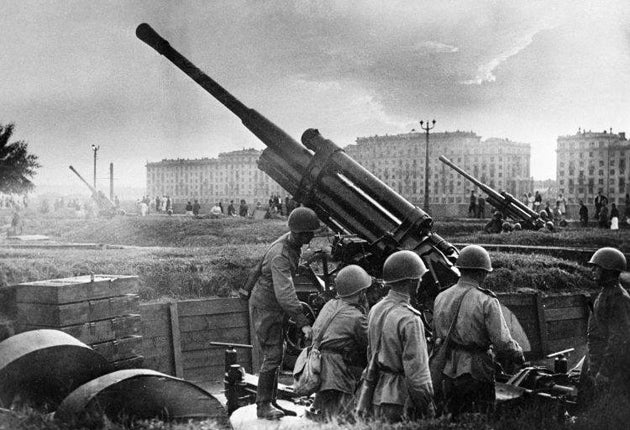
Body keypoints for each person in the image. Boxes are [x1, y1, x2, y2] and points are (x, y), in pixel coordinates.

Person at [433, 245, 524, 417]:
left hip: (446, 368)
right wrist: (518, 354)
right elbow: (502, 342)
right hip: (475, 370)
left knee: (452, 417)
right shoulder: (486, 300)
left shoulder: (441, 297)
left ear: (460, 269)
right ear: (482, 273)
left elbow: (436, 335)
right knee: (480, 417)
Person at [249, 207, 320, 419]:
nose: (309, 241)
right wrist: (303, 322)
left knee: (276, 353)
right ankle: (263, 405)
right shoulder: (280, 255)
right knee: (273, 355)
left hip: (272, 306)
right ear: (299, 233)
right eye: (308, 235)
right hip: (266, 307)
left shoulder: (290, 244)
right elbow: (285, 293)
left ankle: (271, 402)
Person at [367, 250, 434, 422]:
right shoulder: (410, 319)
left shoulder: (376, 309)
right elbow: (417, 373)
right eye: (419, 279)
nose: (420, 282)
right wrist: (427, 406)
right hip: (399, 398)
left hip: (376, 393)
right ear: (411, 282)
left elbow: (370, 353)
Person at [309, 265, 370, 422]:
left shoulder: (330, 305)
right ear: (361, 292)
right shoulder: (357, 317)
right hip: (337, 371)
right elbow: (368, 345)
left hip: (318, 363)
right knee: (342, 418)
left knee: (322, 414)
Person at [580, 247, 630, 402]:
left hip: (612, 370)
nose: (593, 271)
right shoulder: (606, 293)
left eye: (597, 268)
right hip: (598, 363)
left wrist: (604, 372)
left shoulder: (618, 298)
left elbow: (618, 339)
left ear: (608, 271)